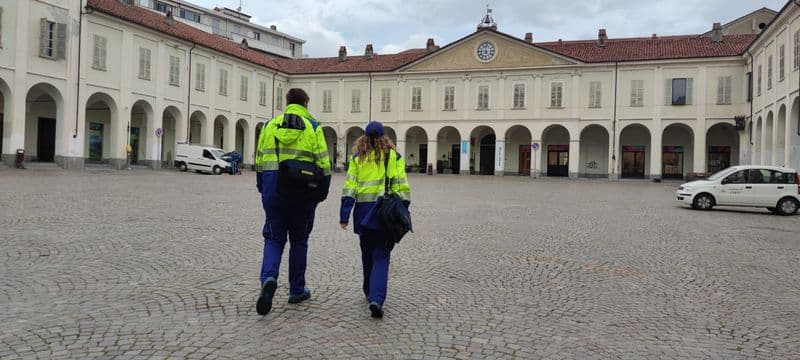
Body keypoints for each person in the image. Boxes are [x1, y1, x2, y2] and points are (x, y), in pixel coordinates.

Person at [254, 88, 331, 315]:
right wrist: (321, 194)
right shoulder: (313, 128)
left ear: (286, 103)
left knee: (274, 239)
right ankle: (296, 290)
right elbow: (324, 166)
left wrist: (262, 188)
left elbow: (259, 162)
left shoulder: (269, 126)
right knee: (299, 240)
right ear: (306, 103)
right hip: (303, 194)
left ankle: (269, 278)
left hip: (273, 190)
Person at [339, 121, 411, 318]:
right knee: (381, 255)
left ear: (364, 138)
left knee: (367, 253)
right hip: (386, 214)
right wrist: (403, 211)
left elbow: (350, 188)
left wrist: (344, 215)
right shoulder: (393, 157)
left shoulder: (356, 159)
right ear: (384, 138)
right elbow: (401, 186)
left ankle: (368, 290)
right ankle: (377, 299)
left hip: (363, 213)